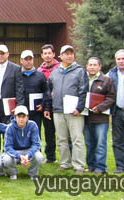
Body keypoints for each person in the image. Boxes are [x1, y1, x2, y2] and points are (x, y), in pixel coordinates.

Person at [45, 45, 88, 174]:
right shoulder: (55, 72)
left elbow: (83, 90)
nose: (69, 56)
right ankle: (65, 163)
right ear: (61, 56)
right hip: (58, 110)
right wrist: (48, 107)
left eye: (71, 53)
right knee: (61, 139)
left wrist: (79, 108)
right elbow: (49, 91)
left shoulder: (80, 71)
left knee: (77, 139)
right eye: (66, 54)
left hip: (74, 111)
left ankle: (79, 165)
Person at [84, 57, 115, 175]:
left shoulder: (107, 80)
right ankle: (91, 165)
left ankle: (100, 168)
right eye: (90, 65)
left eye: (94, 65)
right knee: (89, 143)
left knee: (100, 143)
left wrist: (100, 108)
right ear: (86, 67)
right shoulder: (83, 79)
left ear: (99, 67)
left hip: (101, 118)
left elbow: (111, 98)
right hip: (86, 117)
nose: (92, 67)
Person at [3, 106, 44, 180]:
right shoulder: (10, 128)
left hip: (28, 150)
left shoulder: (33, 125)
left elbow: (36, 144)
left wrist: (28, 155)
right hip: (15, 150)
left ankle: (32, 173)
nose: (21, 119)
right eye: (19, 116)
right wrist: (19, 156)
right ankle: (13, 173)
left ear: (27, 117)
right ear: (15, 117)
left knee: (39, 156)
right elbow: (7, 147)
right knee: (6, 159)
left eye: (23, 116)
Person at [38, 44, 59, 163]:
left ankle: (67, 157)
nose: (47, 55)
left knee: (61, 133)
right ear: (41, 55)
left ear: (53, 54)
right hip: (44, 106)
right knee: (48, 132)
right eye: (45, 53)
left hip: (57, 104)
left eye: (49, 53)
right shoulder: (39, 70)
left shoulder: (59, 68)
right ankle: (50, 157)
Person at [19, 50, 48, 133]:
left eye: (30, 59)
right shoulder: (17, 75)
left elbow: (46, 91)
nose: (28, 62)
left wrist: (43, 104)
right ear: (21, 60)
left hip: (36, 112)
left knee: (35, 134)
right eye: (26, 59)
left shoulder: (40, 75)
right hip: (21, 112)